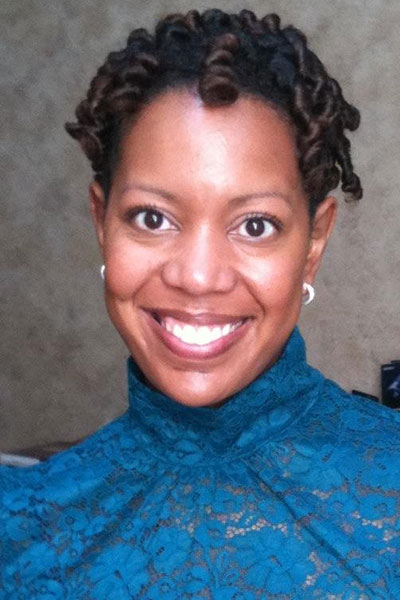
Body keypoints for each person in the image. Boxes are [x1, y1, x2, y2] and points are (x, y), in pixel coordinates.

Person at [1, 8, 399, 598]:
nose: (198, 277)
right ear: (101, 220)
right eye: (153, 217)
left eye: (256, 225)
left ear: (312, 245)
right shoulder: (24, 529)